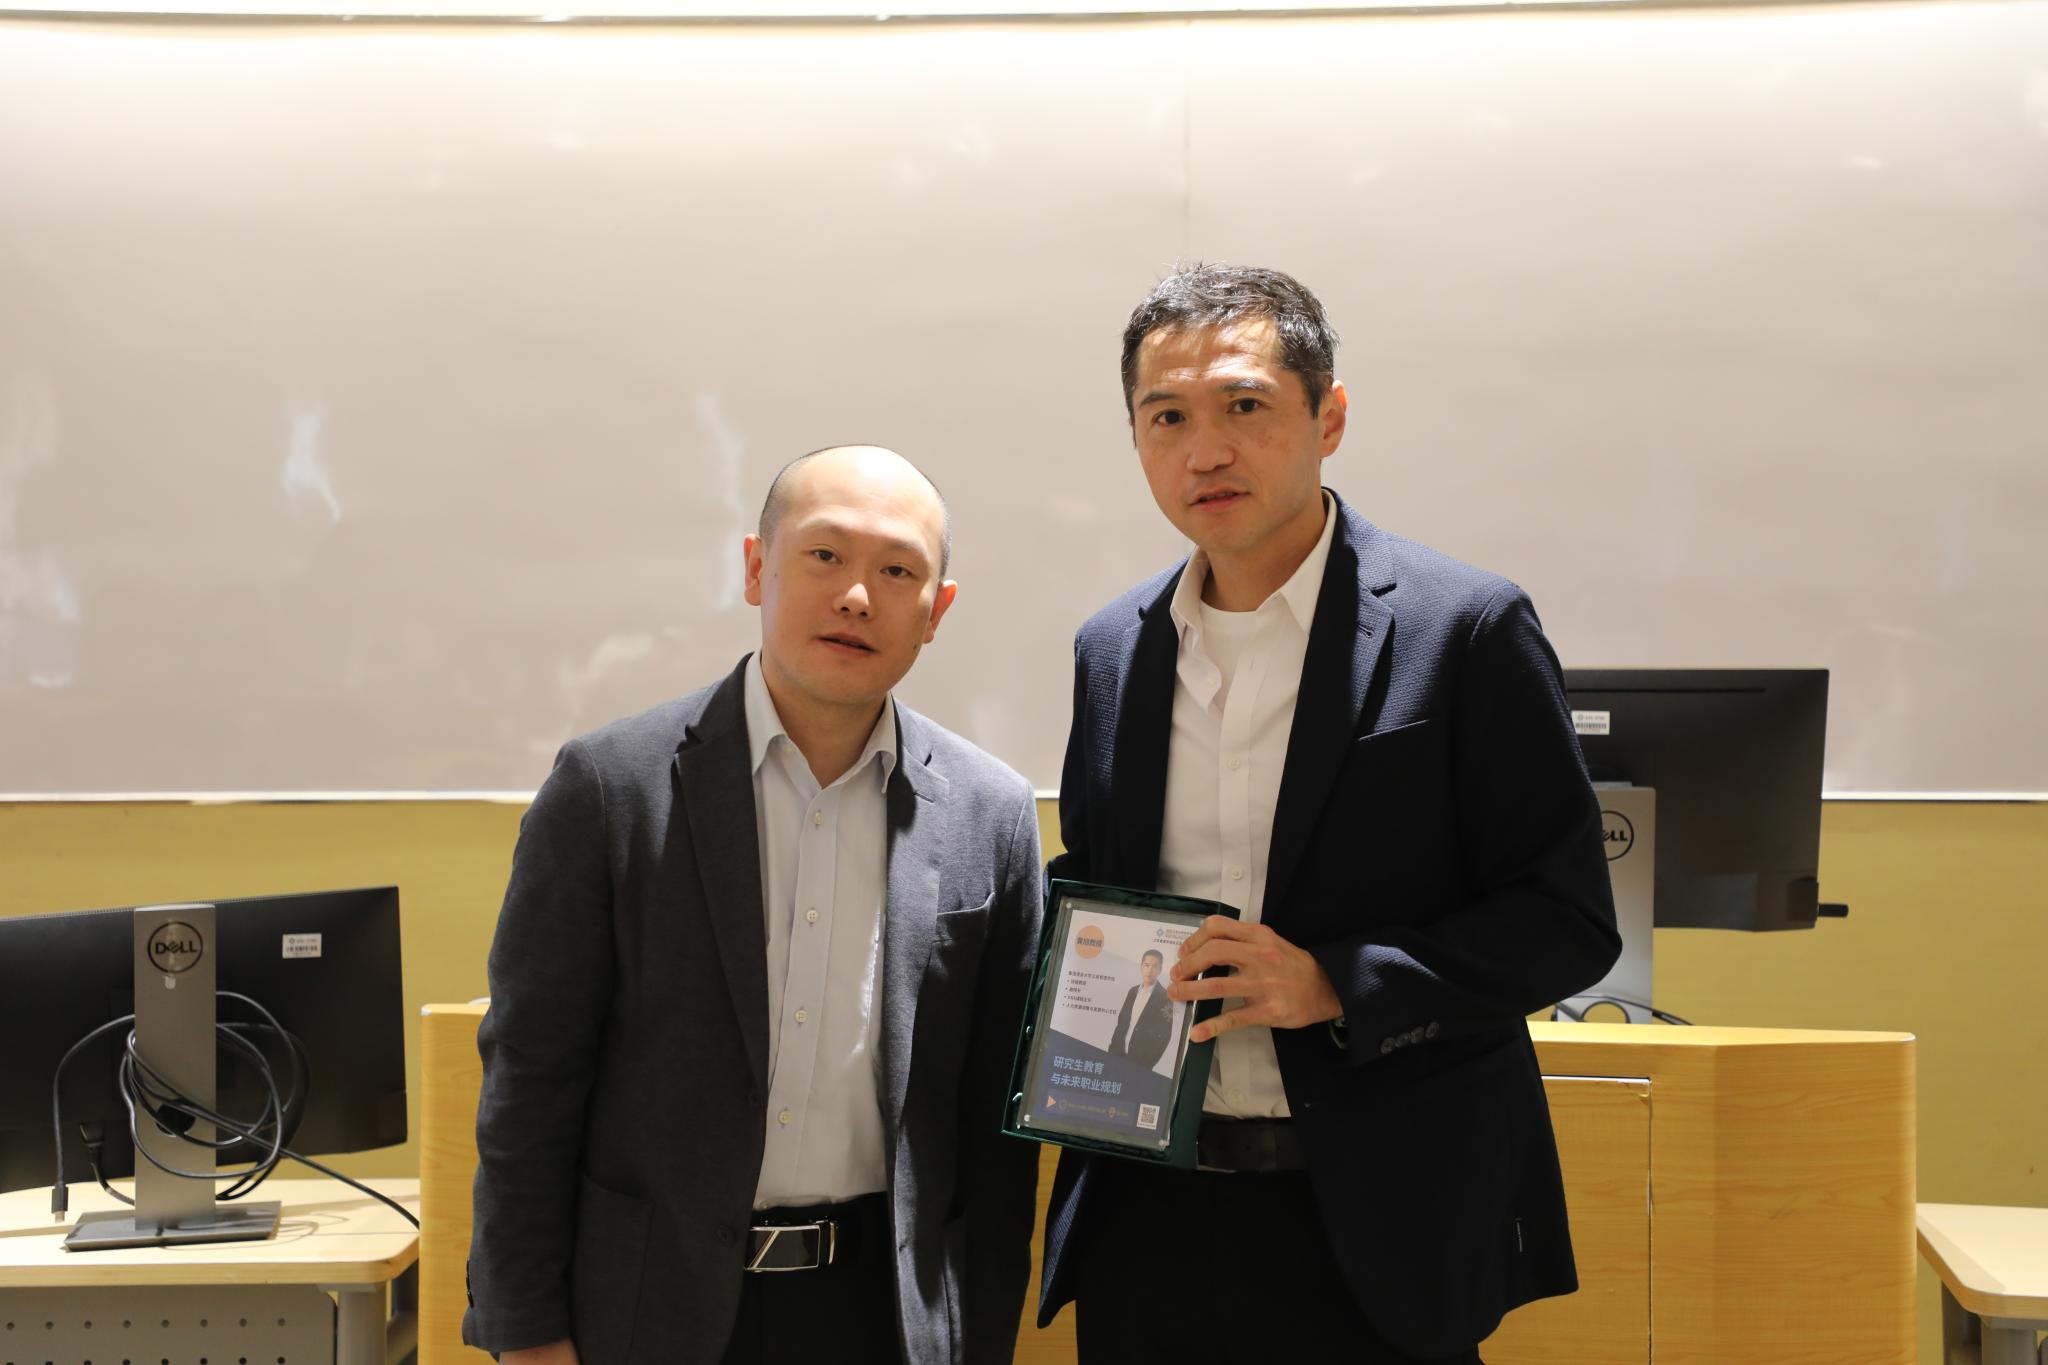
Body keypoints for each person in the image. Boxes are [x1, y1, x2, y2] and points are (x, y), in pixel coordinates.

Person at [1036, 266, 1622, 1364]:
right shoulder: (1111, 648)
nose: (1204, 451)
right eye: (1167, 418)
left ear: (1328, 418)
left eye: (1243, 405)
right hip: (1147, 1219)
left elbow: (1566, 920)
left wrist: (1335, 983)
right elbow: (1096, 887)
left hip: (1378, 1225)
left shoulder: (1466, 629)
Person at [464, 445, 1043, 1365]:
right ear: (755, 567)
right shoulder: (610, 789)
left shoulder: (992, 814)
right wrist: (526, 1333)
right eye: (825, 555)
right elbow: (530, 1081)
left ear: (937, 610)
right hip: (651, 1315)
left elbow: (994, 1135)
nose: (858, 595)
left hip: (885, 1319)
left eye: (898, 571)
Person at [1105, 948, 1174, 1070]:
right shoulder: (1132, 991)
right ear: (1141, 966)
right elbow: (1121, 1023)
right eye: (1146, 965)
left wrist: (1147, 1063)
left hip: (1140, 1064)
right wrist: (1112, 1051)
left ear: (1160, 970)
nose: (1150, 970)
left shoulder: (1165, 998)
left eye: (1154, 967)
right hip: (1117, 1056)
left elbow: (1164, 1036)